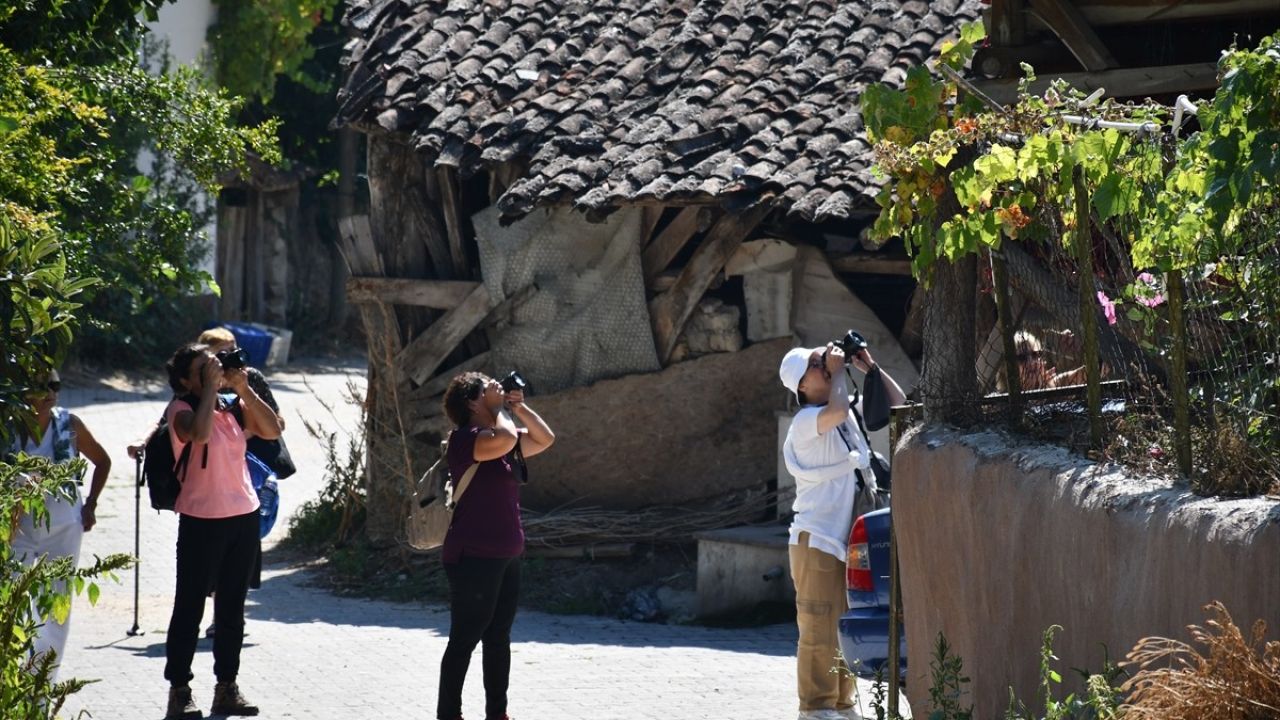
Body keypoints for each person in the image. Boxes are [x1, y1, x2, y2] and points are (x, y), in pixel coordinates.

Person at [778, 342, 906, 720]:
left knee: (844, 623)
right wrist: (837, 373)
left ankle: (841, 703)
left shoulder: (843, 412)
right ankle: (814, 708)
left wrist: (870, 368)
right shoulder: (805, 423)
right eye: (817, 364)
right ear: (801, 386)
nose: (826, 365)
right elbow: (834, 410)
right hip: (816, 541)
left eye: (824, 360)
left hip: (848, 543)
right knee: (818, 625)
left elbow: (898, 406)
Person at [160, 343, 282, 720]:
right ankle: (179, 691)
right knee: (190, 606)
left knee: (232, 608)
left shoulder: (230, 407)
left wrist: (243, 388)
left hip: (243, 517)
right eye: (202, 370)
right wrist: (211, 389)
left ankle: (226, 687)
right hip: (201, 521)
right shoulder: (180, 410)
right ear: (184, 380)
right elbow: (197, 435)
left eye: (212, 368)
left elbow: (272, 429)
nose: (211, 374)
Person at [437, 372, 555, 720]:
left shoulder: (503, 438)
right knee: (464, 640)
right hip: (473, 555)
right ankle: (449, 715)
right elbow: (504, 439)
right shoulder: (465, 439)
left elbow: (545, 438)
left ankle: (497, 713)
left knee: (498, 637)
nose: (497, 388)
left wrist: (518, 407)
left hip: (507, 554)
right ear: (473, 403)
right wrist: (499, 407)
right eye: (487, 388)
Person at [6, 369, 111, 683]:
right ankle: (14, 676)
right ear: (24, 391)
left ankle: (42, 683)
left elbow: (103, 461)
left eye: (55, 385)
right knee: (14, 600)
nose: (50, 392)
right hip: (17, 528)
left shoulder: (70, 424)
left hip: (64, 527)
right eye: (42, 386)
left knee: (57, 604)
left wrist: (90, 503)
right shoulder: (8, 427)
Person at [195, 327, 289, 638]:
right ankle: (214, 612)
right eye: (223, 352)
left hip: (247, 474)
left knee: (241, 549)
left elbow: (277, 422)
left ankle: (228, 615)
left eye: (234, 348)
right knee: (209, 551)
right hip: (207, 478)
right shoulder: (196, 380)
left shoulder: (250, 377)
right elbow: (177, 416)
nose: (231, 357)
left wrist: (241, 429)